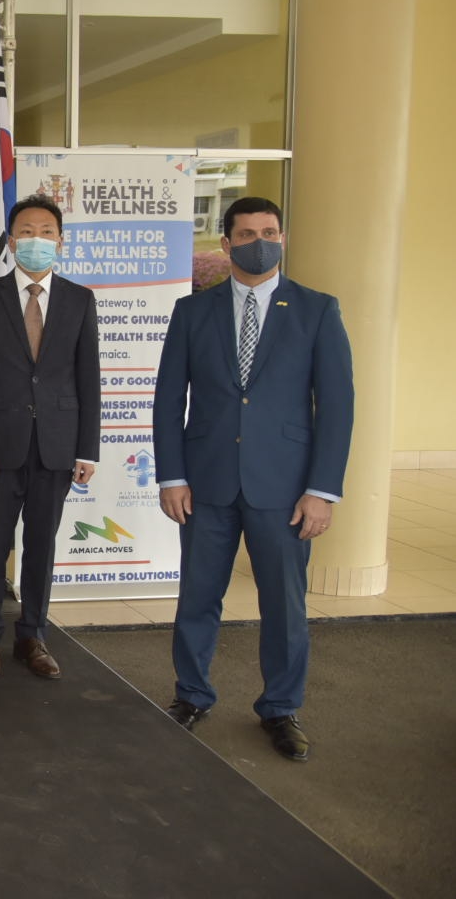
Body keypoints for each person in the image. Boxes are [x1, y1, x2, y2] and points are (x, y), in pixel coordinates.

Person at [154, 197, 353, 762]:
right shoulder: (193, 312)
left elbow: (337, 406)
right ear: (226, 243)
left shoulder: (317, 310)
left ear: (282, 239)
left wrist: (322, 490)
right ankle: (191, 695)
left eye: (268, 232)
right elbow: (168, 400)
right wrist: (172, 475)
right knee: (197, 597)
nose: (257, 241)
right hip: (207, 483)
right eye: (245, 234)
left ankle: (281, 709)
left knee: (285, 606)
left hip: (286, 491)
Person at [0, 194, 99, 681]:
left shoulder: (80, 299)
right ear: (11, 240)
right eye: (26, 231)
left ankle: (33, 635)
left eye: (46, 231)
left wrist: (87, 448)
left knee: (42, 543)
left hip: (58, 445)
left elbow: (88, 378)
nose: (35, 240)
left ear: (60, 240)